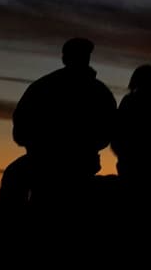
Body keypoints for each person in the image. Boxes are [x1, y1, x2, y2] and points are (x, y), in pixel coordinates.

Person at [10, 37, 118, 203]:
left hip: (48, 167)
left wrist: (40, 146)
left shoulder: (42, 87)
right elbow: (110, 129)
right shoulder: (100, 92)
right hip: (78, 165)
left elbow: (21, 128)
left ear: (65, 58)